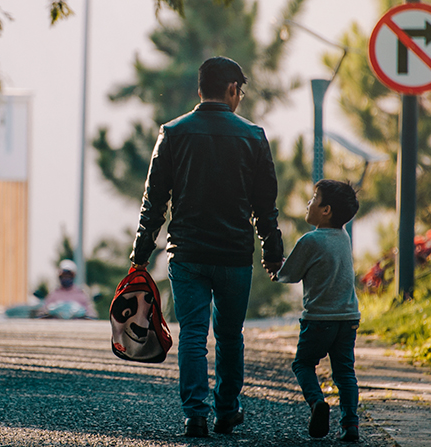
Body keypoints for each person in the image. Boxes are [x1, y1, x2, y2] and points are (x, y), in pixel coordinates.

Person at [129, 56, 284, 438]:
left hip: (188, 255)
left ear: (200, 89)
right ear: (233, 89)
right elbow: (265, 205)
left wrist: (141, 253)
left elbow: (154, 201)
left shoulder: (173, 132)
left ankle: (195, 414)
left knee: (194, 335)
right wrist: (272, 249)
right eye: (240, 92)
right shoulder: (253, 136)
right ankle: (227, 410)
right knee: (231, 336)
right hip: (234, 256)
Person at [269, 179, 361, 442]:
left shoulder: (310, 240)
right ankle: (350, 425)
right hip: (348, 318)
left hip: (319, 318)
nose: (309, 203)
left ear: (326, 210)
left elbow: (288, 275)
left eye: (313, 198)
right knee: (345, 373)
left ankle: (317, 402)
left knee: (303, 364)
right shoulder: (344, 238)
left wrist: (276, 268)